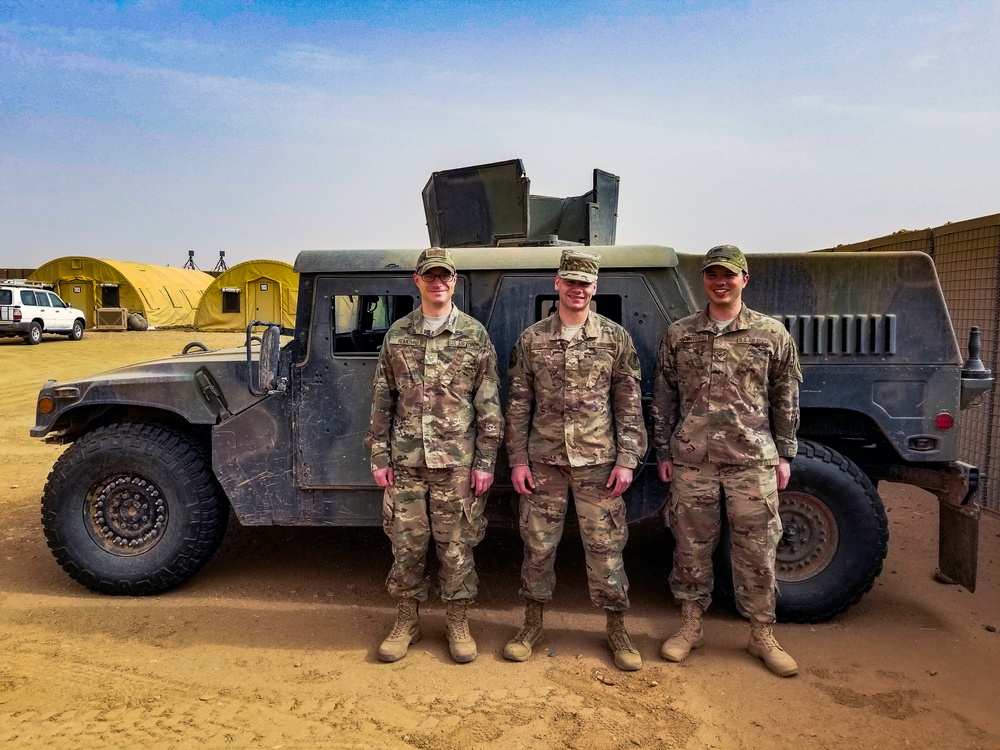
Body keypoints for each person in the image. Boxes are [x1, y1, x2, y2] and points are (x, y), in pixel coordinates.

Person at [651, 244, 802, 677]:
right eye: (713, 274)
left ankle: (761, 634)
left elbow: (786, 396)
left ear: (744, 280)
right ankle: (691, 625)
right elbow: (664, 396)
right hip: (692, 460)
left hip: (751, 459)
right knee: (690, 545)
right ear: (704, 280)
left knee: (757, 549)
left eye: (729, 275)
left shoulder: (771, 335)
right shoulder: (680, 334)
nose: (721, 282)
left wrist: (785, 453)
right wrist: (664, 449)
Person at [503, 249, 648, 672]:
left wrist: (627, 459)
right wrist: (516, 460)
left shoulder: (614, 338)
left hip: (599, 463)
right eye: (570, 282)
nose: (577, 290)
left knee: (606, 549)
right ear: (557, 284)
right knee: (537, 545)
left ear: (595, 288)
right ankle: (531, 625)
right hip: (543, 462)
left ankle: (617, 628)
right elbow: (517, 406)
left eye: (585, 283)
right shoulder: (532, 340)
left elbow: (628, 403)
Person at [365, 246, 504, 664]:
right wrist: (379, 456)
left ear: (454, 281)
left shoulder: (474, 335)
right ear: (418, 281)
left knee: (457, 546)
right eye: (430, 276)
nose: (438, 282)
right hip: (406, 464)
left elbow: (489, 404)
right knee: (406, 546)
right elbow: (380, 401)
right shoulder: (398, 335)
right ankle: (406, 619)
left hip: (456, 464)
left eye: (444, 275)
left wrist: (484, 463)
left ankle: (457, 621)